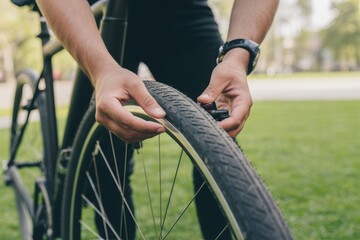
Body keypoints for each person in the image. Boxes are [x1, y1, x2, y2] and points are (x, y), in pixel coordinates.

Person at [36, 0, 279, 239]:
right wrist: (100, 70)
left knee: (219, 138)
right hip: (99, 10)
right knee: (108, 160)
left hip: (180, 10)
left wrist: (237, 57)